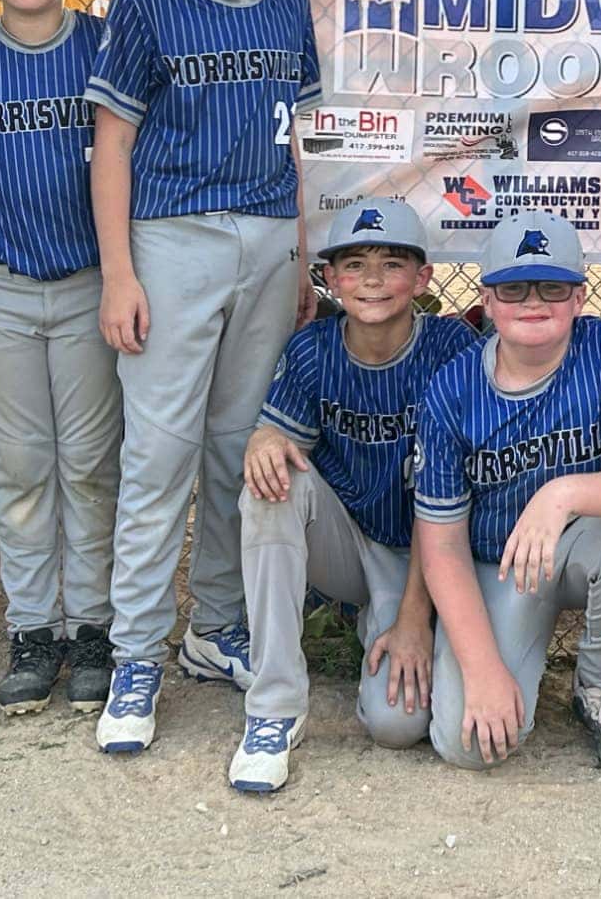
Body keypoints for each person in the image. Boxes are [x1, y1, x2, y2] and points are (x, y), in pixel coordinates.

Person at [87, 0, 321, 755]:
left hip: (267, 236)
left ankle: (214, 627)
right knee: (158, 456)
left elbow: (300, 143)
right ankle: (136, 649)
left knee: (238, 448)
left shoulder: (287, 0)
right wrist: (118, 273)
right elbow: (112, 143)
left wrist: (303, 255)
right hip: (172, 238)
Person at [414, 210, 601, 779]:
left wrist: (560, 493)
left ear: (579, 297)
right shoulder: (453, 387)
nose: (533, 301)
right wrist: (483, 669)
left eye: (552, 287)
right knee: (471, 745)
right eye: (513, 288)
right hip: (500, 564)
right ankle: (501, 663)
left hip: (587, 542)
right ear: (487, 301)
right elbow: (440, 545)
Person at [230, 197, 480, 793]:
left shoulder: (452, 350)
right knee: (272, 485)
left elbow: (447, 501)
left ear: (423, 279)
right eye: (354, 264)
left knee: (397, 724)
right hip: (349, 543)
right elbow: (276, 441)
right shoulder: (314, 349)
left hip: (432, 551)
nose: (371, 279)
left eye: (392, 263)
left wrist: (414, 618)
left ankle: (391, 619)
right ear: (331, 277)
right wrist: (263, 438)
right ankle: (273, 708)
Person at [0, 0, 121, 716]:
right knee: (21, 467)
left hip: (91, 280)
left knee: (91, 465)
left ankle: (94, 624)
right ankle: (33, 629)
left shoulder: (103, 46)